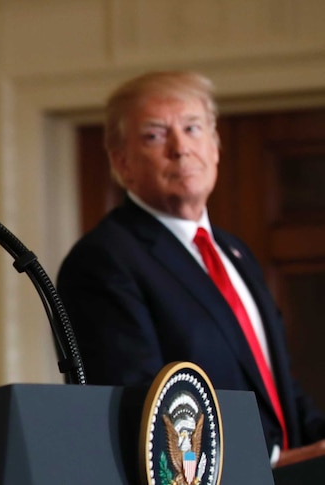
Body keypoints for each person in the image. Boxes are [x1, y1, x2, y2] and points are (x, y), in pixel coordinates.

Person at [56, 70, 325, 468]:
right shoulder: (103, 260)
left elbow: (276, 384)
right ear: (122, 162)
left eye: (193, 127)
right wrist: (268, 460)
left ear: (215, 146)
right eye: (155, 135)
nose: (180, 148)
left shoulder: (235, 252)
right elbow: (139, 407)